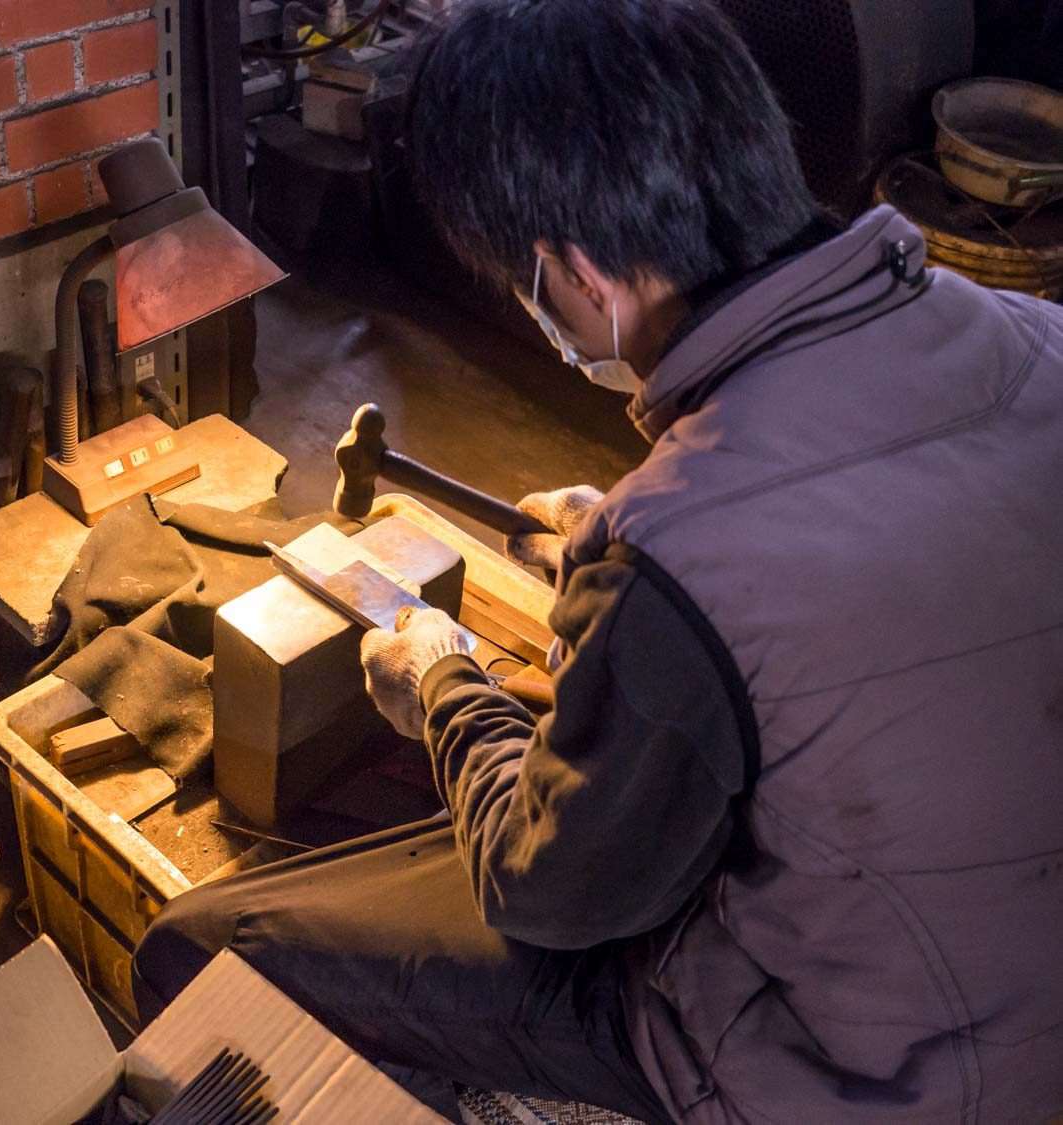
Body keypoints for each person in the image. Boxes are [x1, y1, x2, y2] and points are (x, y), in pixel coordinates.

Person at [133, 1, 1063, 1119]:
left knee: (198, 947)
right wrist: (634, 524)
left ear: (576, 275)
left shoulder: (682, 548)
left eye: (525, 288)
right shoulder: (1032, 338)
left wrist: (441, 685)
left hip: (868, 1074)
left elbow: (551, 891)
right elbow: (862, 542)